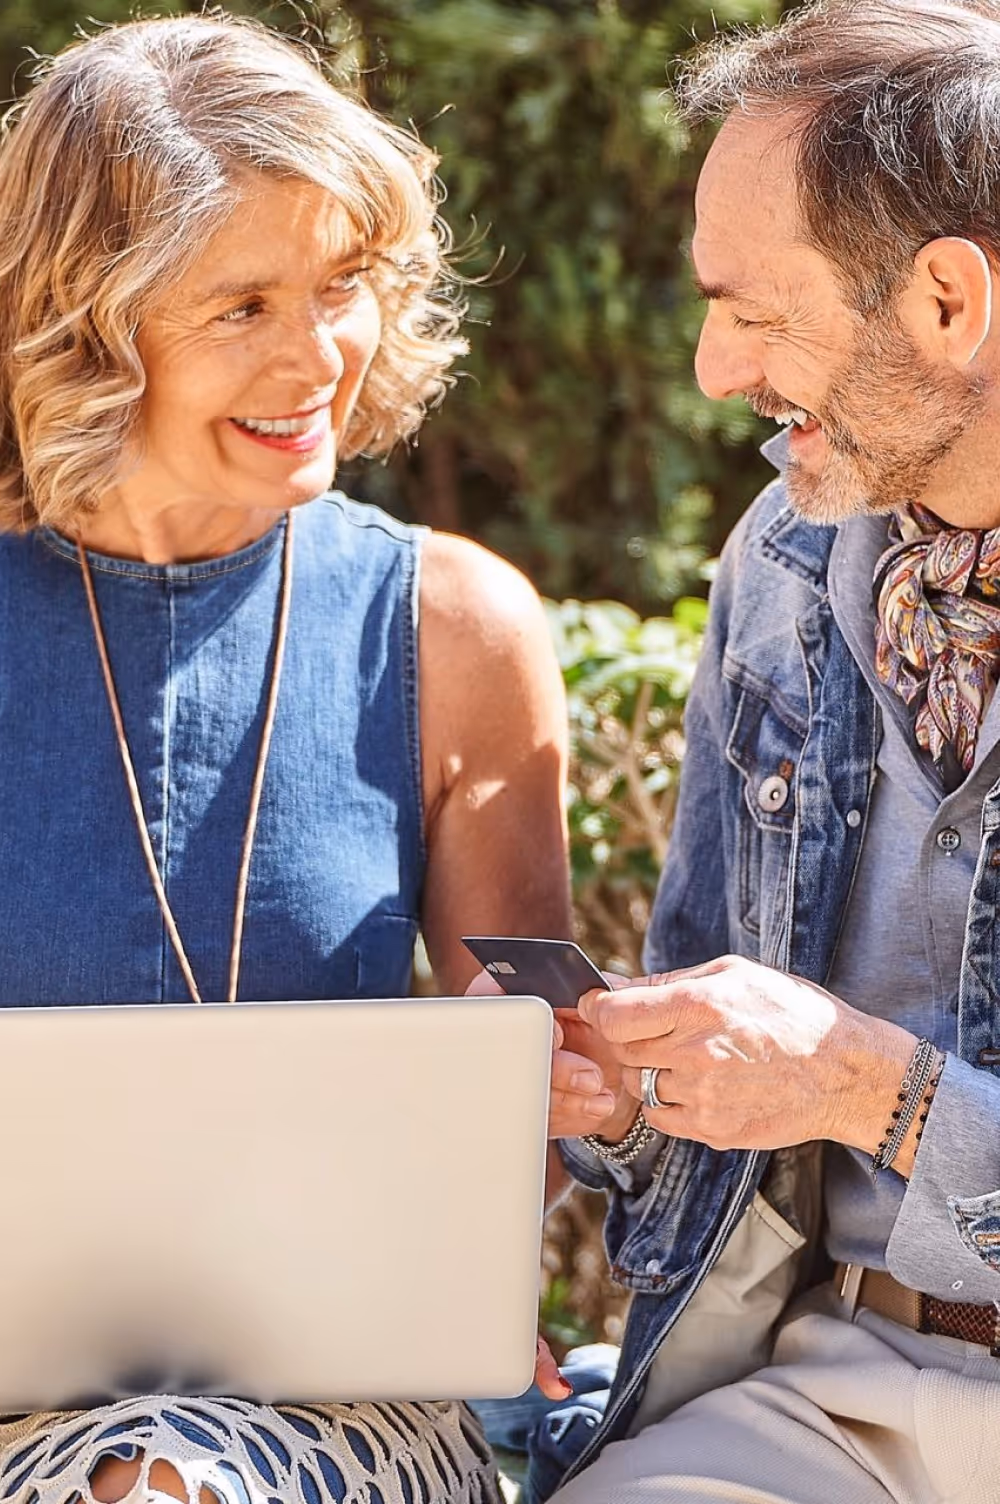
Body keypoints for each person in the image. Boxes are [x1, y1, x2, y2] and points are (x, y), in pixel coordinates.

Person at [0, 13, 614, 1503]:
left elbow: (529, 1102)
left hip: (336, 1407)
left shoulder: (458, 627)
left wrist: (536, 1096)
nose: (319, 356)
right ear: (90, 324)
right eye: (244, 306)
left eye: (343, 287)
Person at [539, 3, 1000, 1502]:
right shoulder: (783, 568)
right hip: (838, 1385)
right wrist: (636, 1094)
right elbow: (727, 1129)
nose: (710, 369)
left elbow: (847, 1088)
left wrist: (878, 1092)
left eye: (755, 310)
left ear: (948, 300)